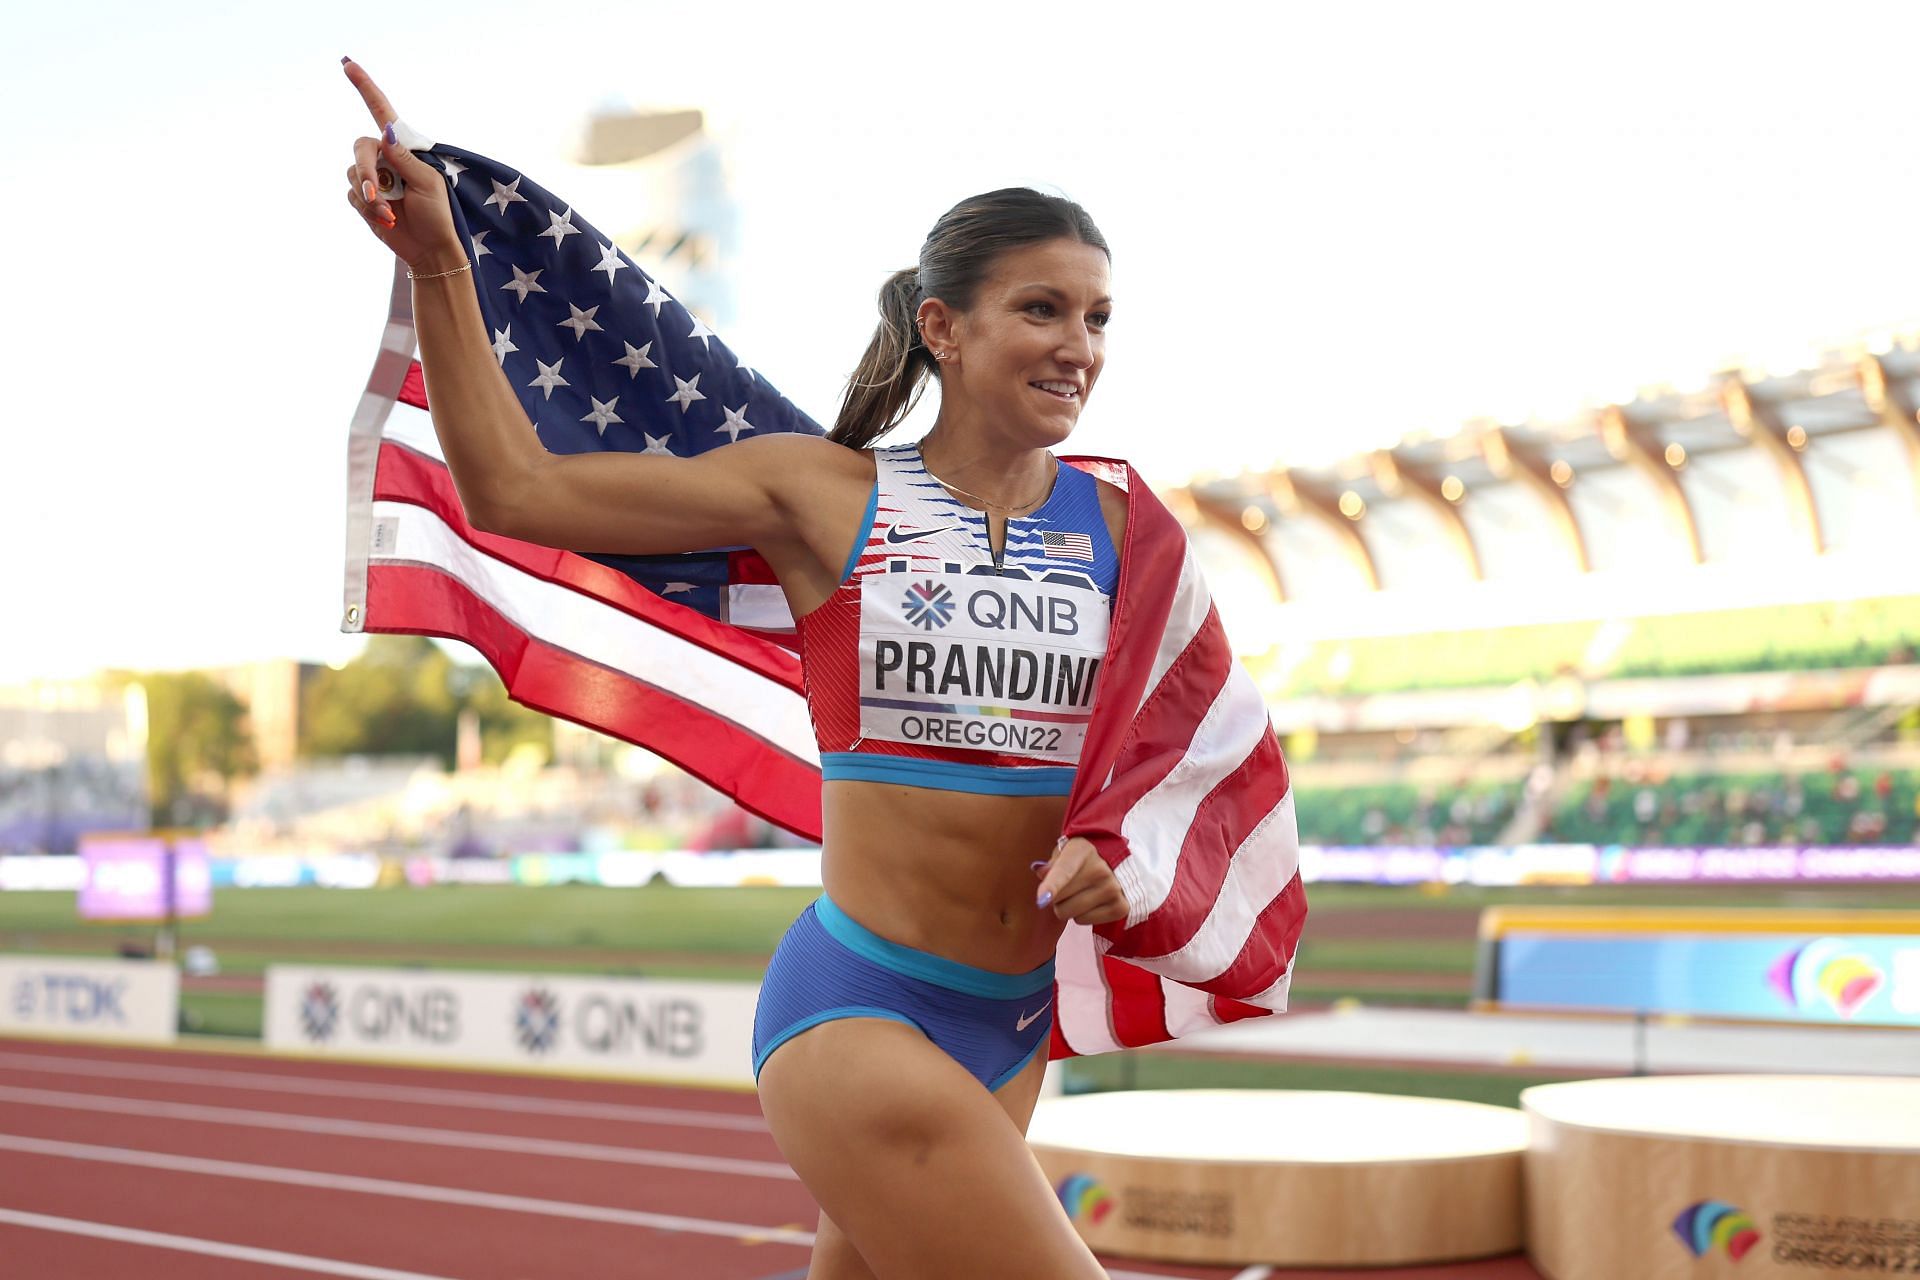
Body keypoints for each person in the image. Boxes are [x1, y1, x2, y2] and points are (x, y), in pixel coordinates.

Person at [343, 58, 1134, 1279]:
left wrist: (1121, 846)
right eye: (1042, 309)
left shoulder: (1124, 525)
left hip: (1015, 1018)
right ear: (943, 325)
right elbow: (516, 488)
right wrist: (441, 264)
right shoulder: (824, 495)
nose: (1077, 345)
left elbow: (1167, 746)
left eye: (1096, 317)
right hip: (862, 1008)